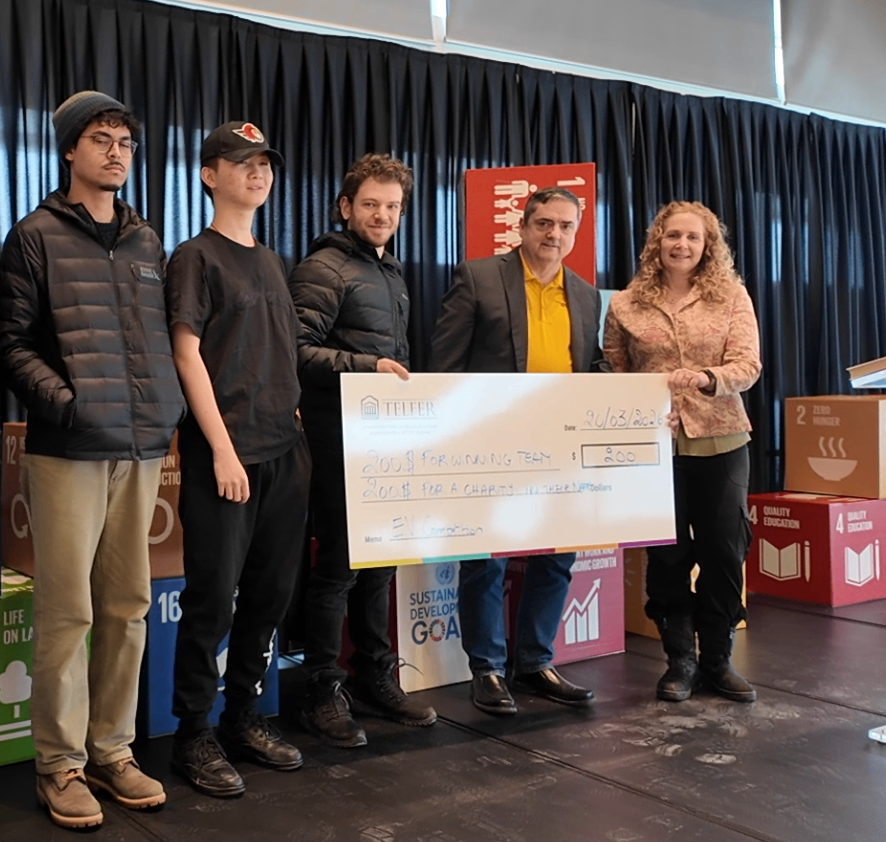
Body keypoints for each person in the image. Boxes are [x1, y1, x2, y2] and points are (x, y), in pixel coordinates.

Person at [0, 91, 184, 827]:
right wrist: (67, 403)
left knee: (128, 607)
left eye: (126, 143)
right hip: (69, 449)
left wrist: (161, 409)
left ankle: (113, 750)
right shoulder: (35, 235)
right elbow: (10, 343)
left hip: (140, 447)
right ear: (70, 149)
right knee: (68, 613)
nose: (116, 152)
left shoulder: (146, 241)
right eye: (101, 139)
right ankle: (59, 765)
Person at [166, 121, 312, 797]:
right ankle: (193, 732)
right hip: (227, 456)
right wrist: (222, 449)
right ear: (209, 174)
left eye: (264, 164)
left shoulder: (273, 261)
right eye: (242, 162)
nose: (257, 173)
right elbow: (186, 352)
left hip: (285, 452)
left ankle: (242, 716)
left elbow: (276, 351)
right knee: (210, 600)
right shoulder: (195, 257)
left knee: (270, 596)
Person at [429, 186, 605, 715]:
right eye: (544, 223)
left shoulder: (586, 293)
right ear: (523, 227)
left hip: (561, 446)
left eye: (565, 227)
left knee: (556, 559)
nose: (554, 235)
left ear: (576, 233)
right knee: (487, 559)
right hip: (491, 445)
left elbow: (589, 369)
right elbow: (445, 366)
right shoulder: (479, 278)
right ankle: (486, 669)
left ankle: (534, 661)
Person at [288, 153, 436, 747]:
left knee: (381, 563)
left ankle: (373, 675)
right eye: (370, 204)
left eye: (392, 206)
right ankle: (322, 688)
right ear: (346, 206)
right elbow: (296, 350)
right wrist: (365, 365)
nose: (381, 214)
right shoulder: (322, 268)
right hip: (336, 439)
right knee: (339, 568)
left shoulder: (391, 272)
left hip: (385, 443)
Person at [602, 200, 761, 704]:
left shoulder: (732, 296)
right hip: (655, 447)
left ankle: (717, 660)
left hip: (723, 439)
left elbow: (748, 364)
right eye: (673, 235)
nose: (682, 245)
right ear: (657, 241)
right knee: (668, 555)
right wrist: (643, 402)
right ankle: (680, 664)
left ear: (708, 246)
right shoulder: (626, 303)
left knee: (723, 551)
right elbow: (611, 371)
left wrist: (707, 379)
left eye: (694, 238)